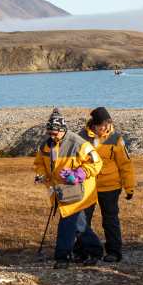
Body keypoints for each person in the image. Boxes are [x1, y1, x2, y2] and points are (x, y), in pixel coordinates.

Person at [33, 109, 103, 268]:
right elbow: (38, 164)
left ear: (63, 130)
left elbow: (97, 163)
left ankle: (62, 258)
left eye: (54, 133)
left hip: (79, 192)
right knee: (79, 226)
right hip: (60, 193)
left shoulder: (79, 144)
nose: (52, 136)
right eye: (49, 133)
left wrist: (79, 174)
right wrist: (42, 175)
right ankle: (95, 252)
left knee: (67, 224)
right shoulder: (46, 146)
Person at [81, 107, 136, 263]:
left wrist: (129, 186)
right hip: (88, 186)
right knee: (83, 220)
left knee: (110, 220)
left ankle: (114, 252)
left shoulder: (116, 139)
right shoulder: (82, 138)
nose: (105, 128)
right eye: (102, 125)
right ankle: (84, 251)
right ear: (94, 125)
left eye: (108, 124)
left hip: (111, 186)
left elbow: (126, 165)